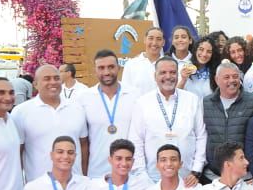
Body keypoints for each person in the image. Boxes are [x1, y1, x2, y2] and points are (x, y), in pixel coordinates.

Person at [128, 57, 207, 182]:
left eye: (172, 72)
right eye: (163, 72)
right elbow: (136, 140)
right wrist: (142, 175)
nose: (168, 76)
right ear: (155, 76)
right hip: (152, 179)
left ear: (177, 74)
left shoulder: (192, 100)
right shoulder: (142, 103)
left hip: (187, 178)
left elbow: (201, 136)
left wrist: (196, 170)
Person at [12, 64, 89, 181]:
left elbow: (84, 145)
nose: (53, 82)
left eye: (56, 78)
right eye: (47, 79)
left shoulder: (77, 108)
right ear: (35, 84)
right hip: (38, 184)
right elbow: (17, 152)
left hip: (74, 183)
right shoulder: (21, 112)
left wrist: (84, 177)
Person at [78, 49, 140, 179]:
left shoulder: (135, 95)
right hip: (97, 172)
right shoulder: (84, 98)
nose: (106, 72)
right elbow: (82, 140)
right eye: (101, 68)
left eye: (111, 67)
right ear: (95, 70)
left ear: (118, 68)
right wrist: (83, 172)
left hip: (130, 171)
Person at [202, 60, 253, 181]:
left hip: (246, 177)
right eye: (226, 77)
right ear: (216, 80)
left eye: (235, 76)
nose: (232, 80)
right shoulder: (205, 103)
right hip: (213, 177)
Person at [121, 27, 166, 96]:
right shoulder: (131, 64)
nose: (154, 43)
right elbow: (125, 92)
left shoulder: (169, 65)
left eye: (158, 39)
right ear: (145, 40)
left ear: (163, 42)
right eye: (151, 38)